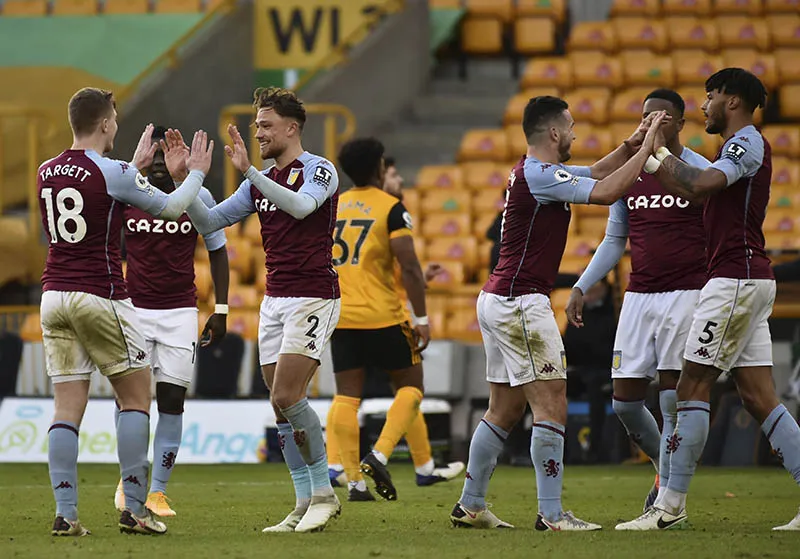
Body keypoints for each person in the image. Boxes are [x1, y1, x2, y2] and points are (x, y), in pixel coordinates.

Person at [449, 95, 667, 531]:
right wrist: (647, 154)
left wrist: (631, 145)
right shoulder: (541, 175)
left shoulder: (534, 172)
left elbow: (597, 173)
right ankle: (551, 514)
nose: (574, 133)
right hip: (522, 304)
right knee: (552, 404)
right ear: (553, 133)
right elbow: (606, 191)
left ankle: (471, 505)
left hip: (499, 298)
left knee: (504, 409)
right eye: (569, 127)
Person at [616, 69, 800, 531]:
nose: (703, 106)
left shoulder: (746, 143)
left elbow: (700, 187)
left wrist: (655, 150)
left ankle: (669, 507)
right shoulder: (732, 149)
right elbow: (693, 188)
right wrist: (657, 155)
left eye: (710, 96)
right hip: (747, 280)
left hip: (733, 282)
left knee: (690, 388)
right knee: (759, 398)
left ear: (732, 99)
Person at [40, 87, 211, 536]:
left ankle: (66, 515)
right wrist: (194, 174)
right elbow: (173, 205)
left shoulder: (45, 170)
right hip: (100, 293)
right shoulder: (112, 170)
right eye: (114, 118)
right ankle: (135, 509)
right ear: (104, 124)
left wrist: (131, 170)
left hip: (53, 295)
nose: (116, 124)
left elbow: (97, 193)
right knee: (135, 399)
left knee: (66, 407)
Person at [178, 87, 341, 533]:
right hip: (275, 300)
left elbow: (304, 207)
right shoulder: (257, 183)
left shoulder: (319, 170)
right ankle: (303, 501)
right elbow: (210, 222)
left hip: (314, 295)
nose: (258, 132)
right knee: (280, 407)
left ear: (291, 128)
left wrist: (250, 171)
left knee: (287, 396)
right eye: (256, 126)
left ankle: (325, 493)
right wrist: (187, 182)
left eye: (266, 125)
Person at [566, 89, 711, 513]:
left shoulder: (699, 171)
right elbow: (615, 240)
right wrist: (580, 285)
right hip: (639, 295)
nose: (653, 123)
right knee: (625, 401)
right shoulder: (633, 174)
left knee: (671, 400)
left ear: (681, 124)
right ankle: (664, 471)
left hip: (687, 292)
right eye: (647, 116)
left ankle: (668, 498)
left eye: (663, 117)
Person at [112, 125, 230, 518]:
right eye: (155, 156)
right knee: (132, 401)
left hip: (181, 310)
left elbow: (218, 251)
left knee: (172, 401)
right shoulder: (127, 192)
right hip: (134, 310)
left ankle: (157, 492)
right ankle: (129, 477)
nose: (161, 165)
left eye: (167, 156)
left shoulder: (198, 195)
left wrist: (223, 308)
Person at [326, 156, 464, 492]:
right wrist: (421, 314)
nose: (398, 179)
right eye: (392, 172)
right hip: (384, 316)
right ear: (377, 174)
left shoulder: (334, 206)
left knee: (347, 396)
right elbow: (400, 267)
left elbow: (367, 267)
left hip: (342, 315)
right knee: (411, 387)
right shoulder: (390, 209)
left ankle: (362, 475)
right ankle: (380, 456)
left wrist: (414, 279)